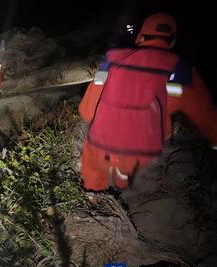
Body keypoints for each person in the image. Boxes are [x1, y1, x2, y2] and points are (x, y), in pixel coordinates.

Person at [78, 12, 217, 191]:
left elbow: (87, 109)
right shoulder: (181, 70)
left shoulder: (113, 60)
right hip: (144, 144)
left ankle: (94, 192)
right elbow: (204, 113)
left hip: (102, 139)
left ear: (139, 37)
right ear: (172, 42)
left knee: (93, 165)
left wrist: (91, 118)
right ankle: (122, 175)